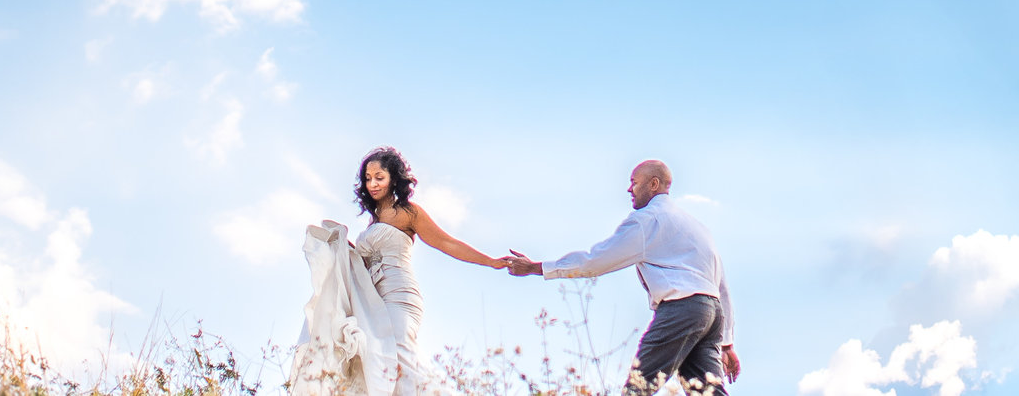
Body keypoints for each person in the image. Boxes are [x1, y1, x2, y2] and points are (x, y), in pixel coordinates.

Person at [506, 159, 740, 396]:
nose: (629, 189)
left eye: (634, 183)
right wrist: (727, 341)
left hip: (681, 309)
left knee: (638, 387)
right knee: (708, 392)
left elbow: (594, 261)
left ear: (654, 184)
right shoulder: (698, 227)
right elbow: (721, 288)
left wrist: (537, 268)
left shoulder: (647, 220)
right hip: (712, 315)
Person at [290, 147, 508, 396]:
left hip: (400, 293)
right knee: (375, 358)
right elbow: (363, 263)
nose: (372, 184)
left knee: (398, 355)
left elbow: (446, 243)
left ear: (394, 178)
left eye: (379, 177)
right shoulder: (373, 222)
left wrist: (490, 261)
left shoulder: (408, 212)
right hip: (374, 297)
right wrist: (342, 244)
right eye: (368, 178)